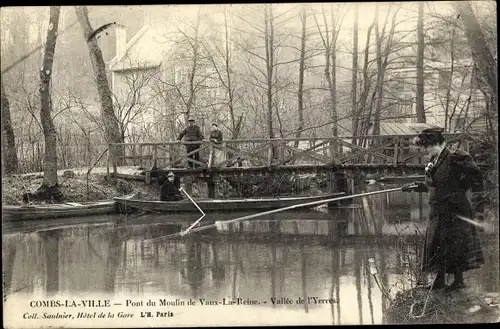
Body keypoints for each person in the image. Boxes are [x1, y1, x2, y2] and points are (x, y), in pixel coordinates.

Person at [402, 127, 484, 291]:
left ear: (435, 143)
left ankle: (458, 281)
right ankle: (439, 281)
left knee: (455, 243)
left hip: (455, 209)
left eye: (426, 147)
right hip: (438, 209)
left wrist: (460, 187)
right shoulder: (433, 160)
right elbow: (433, 185)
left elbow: (476, 174)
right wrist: (416, 186)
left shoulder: (455, 157)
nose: (424, 151)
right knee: (438, 243)